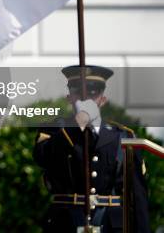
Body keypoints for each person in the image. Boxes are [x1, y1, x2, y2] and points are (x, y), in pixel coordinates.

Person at [33, 65, 149, 232]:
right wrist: (79, 121)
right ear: (69, 97)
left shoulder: (123, 136)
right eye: (78, 92)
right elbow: (42, 157)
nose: (85, 98)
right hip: (65, 225)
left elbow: (137, 197)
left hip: (110, 226)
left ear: (102, 99)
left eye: (93, 93)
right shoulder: (54, 130)